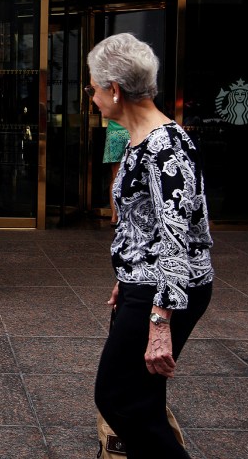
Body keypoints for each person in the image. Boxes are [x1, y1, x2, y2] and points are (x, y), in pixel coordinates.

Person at [87, 33, 214, 459]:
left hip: (166, 291)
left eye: (93, 87)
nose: (92, 97)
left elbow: (180, 236)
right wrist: (127, 276)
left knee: (119, 398)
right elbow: (146, 225)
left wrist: (160, 322)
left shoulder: (166, 145)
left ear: (114, 90)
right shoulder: (141, 141)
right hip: (148, 284)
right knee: (139, 400)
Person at [102, 119, 130, 225]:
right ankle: (127, 214)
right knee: (131, 174)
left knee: (115, 175)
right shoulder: (131, 100)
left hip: (114, 134)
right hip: (130, 132)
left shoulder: (111, 100)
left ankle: (114, 215)